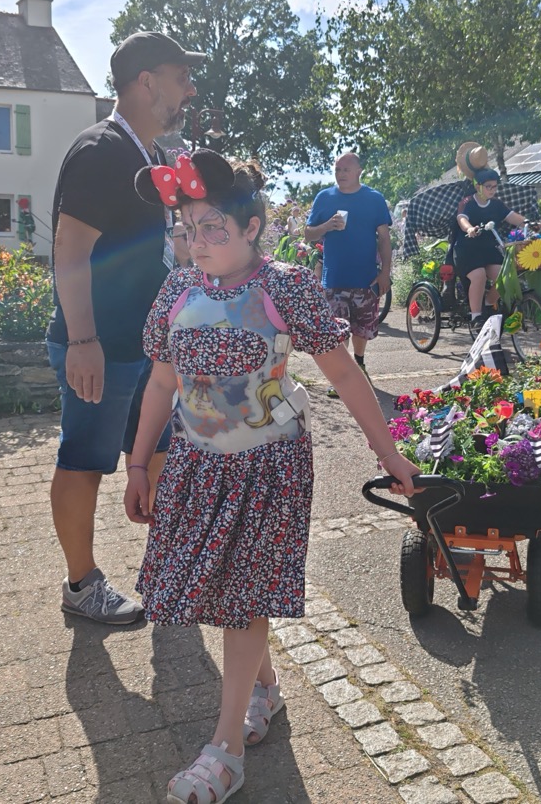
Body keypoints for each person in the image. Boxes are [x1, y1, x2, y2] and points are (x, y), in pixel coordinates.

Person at [123, 149, 419, 804]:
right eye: (188, 229)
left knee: (243, 596)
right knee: (210, 587)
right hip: (196, 466)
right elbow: (162, 383)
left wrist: (390, 454)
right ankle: (265, 691)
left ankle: (225, 750)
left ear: (252, 227)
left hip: (269, 467)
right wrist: (139, 463)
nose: (198, 243)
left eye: (213, 228)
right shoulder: (177, 290)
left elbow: (345, 376)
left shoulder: (284, 288)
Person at [46, 31, 205, 625]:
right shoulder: (101, 150)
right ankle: (81, 585)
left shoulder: (150, 156)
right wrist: (83, 341)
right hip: (103, 346)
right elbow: (69, 251)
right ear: (146, 82)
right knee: (84, 461)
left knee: (160, 452)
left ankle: (164, 570)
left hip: (147, 347)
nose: (190, 90)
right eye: (181, 77)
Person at [304, 152, 392, 397]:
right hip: (334, 279)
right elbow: (308, 234)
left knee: (362, 329)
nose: (340, 174)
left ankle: (360, 365)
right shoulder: (325, 197)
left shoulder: (374, 198)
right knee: (338, 330)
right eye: (337, 170)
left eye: (346, 169)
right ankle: (342, 378)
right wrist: (326, 226)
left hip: (366, 278)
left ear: (358, 171)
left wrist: (385, 273)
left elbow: (384, 239)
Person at [452, 168, 529, 330]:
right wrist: (469, 229)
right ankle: (476, 317)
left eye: (495, 186)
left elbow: (513, 217)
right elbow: (462, 219)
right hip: (467, 250)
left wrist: (529, 223)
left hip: (488, 250)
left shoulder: (496, 204)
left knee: (505, 276)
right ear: (478, 186)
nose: (492, 190)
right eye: (488, 187)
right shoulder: (467, 202)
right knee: (479, 275)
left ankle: (488, 304)